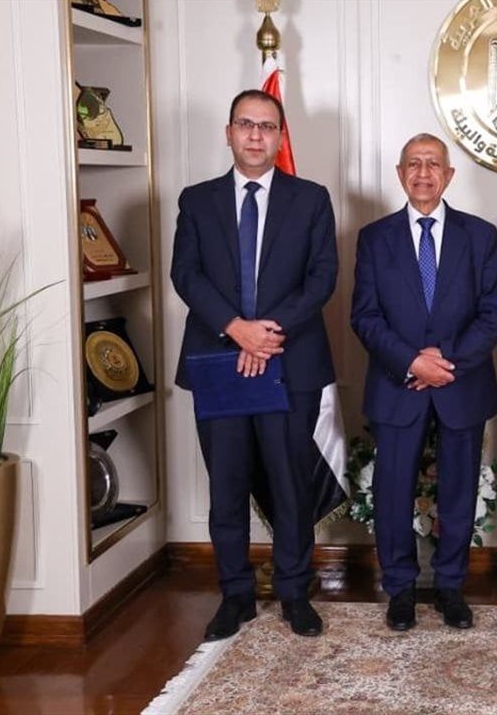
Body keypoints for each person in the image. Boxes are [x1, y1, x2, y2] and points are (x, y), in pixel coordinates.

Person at [171, 89, 339, 641]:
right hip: (218, 362)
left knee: (290, 485)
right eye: (246, 124)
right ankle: (236, 596)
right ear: (229, 133)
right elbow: (186, 274)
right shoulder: (197, 201)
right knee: (227, 486)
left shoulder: (310, 199)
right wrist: (235, 328)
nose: (255, 135)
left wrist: (265, 332)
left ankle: (294, 593)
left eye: (267, 126)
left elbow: (322, 277)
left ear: (280, 136)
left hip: (289, 361)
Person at [350, 133, 497, 632]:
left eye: (433, 164)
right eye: (414, 164)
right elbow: (365, 316)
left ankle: (449, 588)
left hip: (462, 384)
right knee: (392, 492)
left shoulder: (481, 236)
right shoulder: (374, 238)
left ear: (449, 175)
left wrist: (446, 361)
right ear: (400, 174)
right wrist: (411, 362)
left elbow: (494, 313)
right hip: (397, 384)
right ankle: (399, 590)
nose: (423, 173)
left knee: (458, 492)